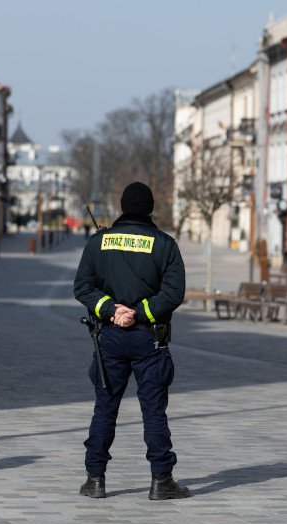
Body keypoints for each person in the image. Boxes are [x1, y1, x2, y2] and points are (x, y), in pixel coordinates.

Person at [74, 182, 190, 500]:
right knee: (153, 412)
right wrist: (139, 314)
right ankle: (161, 480)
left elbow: (83, 287)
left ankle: (95, 479)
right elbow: (173, 293)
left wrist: (112, 311)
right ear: (150, 208)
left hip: (109, 339)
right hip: (149, 339)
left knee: (105, 409)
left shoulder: (99, 242)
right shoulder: (165, 244)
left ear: (122, 207)